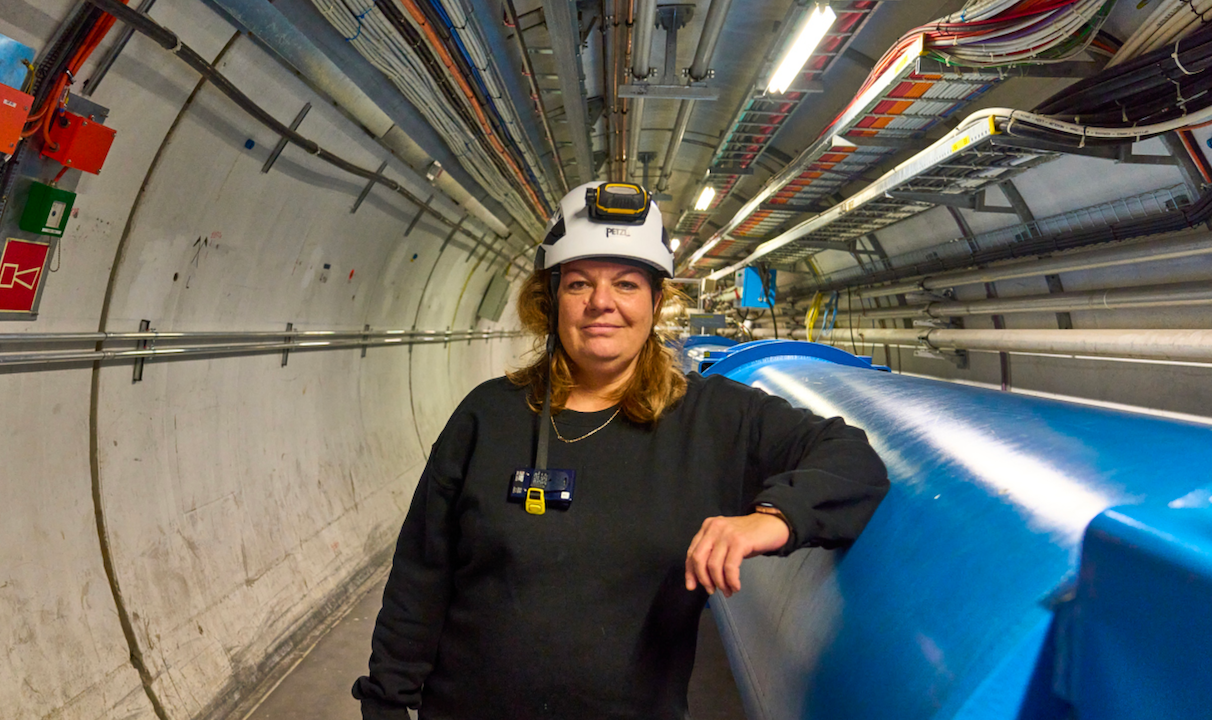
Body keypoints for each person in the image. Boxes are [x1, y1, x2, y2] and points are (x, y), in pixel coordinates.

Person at [352, 181, 888, 720]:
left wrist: (771, 517)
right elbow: (421, 574)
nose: (601, 303)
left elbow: (852, 459)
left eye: (627, 284)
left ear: (655, 302)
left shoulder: (716, 419)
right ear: (552, 299)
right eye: (579, 283)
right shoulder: (488, 417)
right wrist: (386, 704)